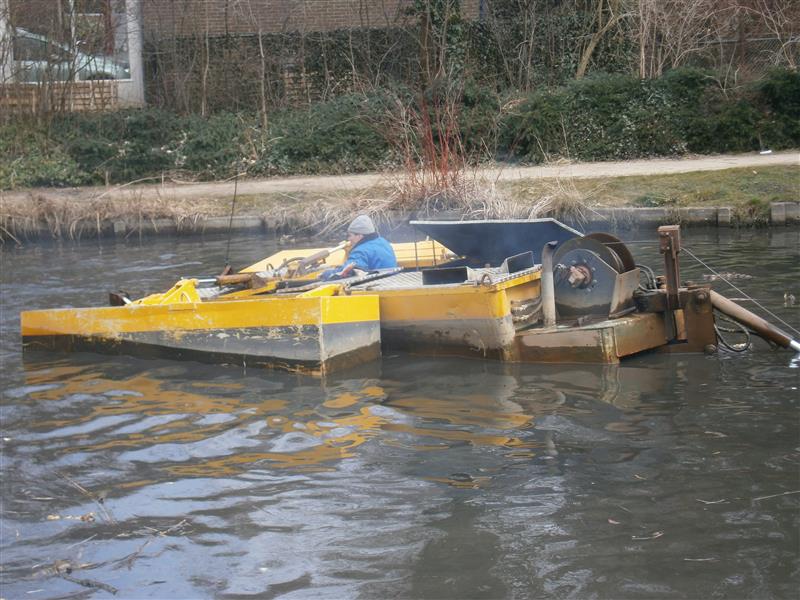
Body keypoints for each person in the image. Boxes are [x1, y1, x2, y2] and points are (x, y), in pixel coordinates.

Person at [321, 215, 397, 279]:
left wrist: (325, 274)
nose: (349, 239)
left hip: (377, 283)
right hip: (390, 278)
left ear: (360, 236)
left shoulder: (360, 252)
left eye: (350, 235)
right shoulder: (383, 242)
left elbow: (347, 271)